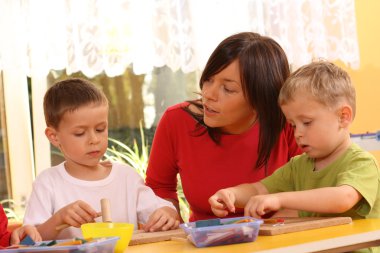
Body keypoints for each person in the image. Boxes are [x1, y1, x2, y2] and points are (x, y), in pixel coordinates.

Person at [145, 32, 302, 222]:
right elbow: (159, 187)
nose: (208, 94)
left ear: (260, 99)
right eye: (209, 79)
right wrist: (167, 211)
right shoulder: (176, 120)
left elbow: (311, 192)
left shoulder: (290, 124)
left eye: (228, 89)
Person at [209, 61, 380, 222]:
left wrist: (280, 199)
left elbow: (343, 198)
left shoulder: (362, 163)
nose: (297, 133)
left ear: (343, 117)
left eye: (307, 122)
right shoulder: (297, 167)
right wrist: (232, 194)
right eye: (292, 125)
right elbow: (259, 189)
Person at [23, 78, 179, 240]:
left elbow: (164, 211)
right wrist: (58, 219)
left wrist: (167, 213)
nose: (94, 139)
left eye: (100, 129)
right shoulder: (48, 183)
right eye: (80, 133)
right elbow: (29, 241)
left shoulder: (126, 177)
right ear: (54, 137)